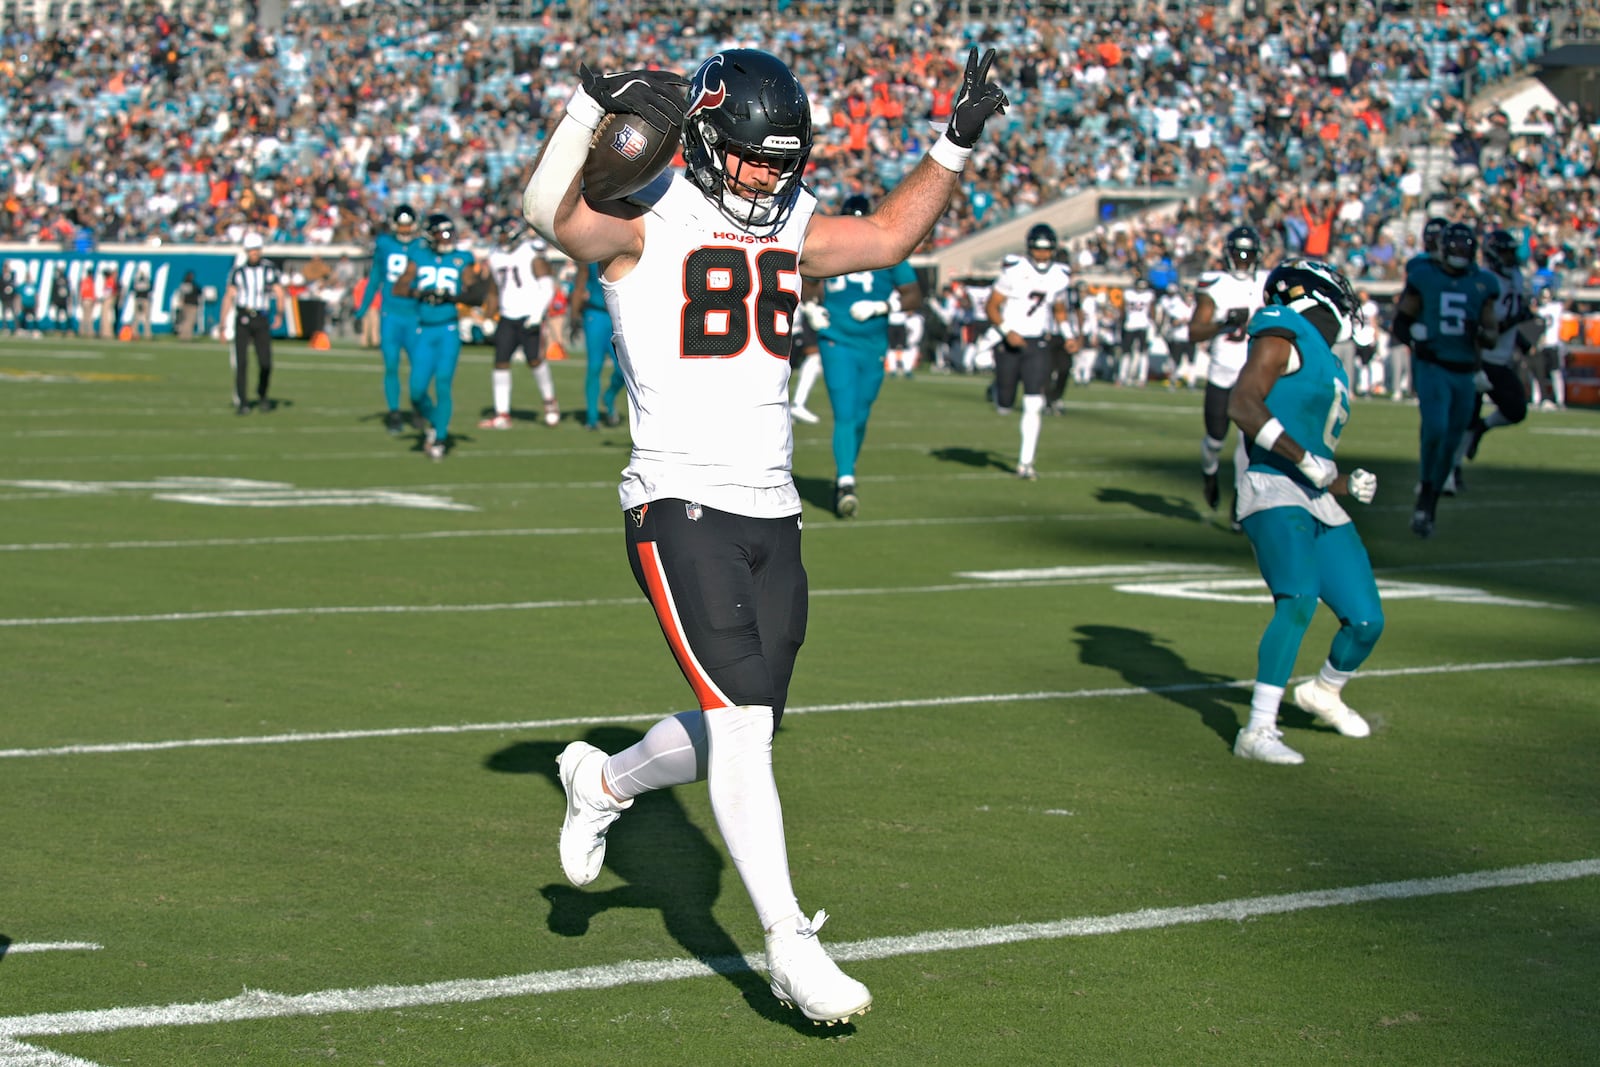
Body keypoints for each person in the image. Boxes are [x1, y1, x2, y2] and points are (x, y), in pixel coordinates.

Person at [522, 45, 1006, 1024]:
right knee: (742, 725)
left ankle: (603, 778)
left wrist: (954, 143)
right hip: (678, 501)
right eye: (747, 156)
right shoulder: (647, 214)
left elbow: (882, 239)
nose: (765, 174)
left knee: (748, 723)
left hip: (773, 509)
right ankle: (789, 942)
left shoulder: (787, 217)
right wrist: (583, 106)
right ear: (702, 142)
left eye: (779, 158)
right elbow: (548, 214)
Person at [1225, 259, 1385, 765]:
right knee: (1298, 598)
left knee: (1365, 620)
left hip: (1313, 493)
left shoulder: (1328, 360)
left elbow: (1314, 457)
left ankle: (1325, 691)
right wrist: (1305, 462)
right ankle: (1257, 729)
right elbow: (1243, 406)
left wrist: (1344, 481)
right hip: (1271, 484)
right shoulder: (1283, 327)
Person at [807, 193, 923, 517]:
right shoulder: (829, 244)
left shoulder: (887, 248)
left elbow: (914, 294)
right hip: (836, 339)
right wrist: (811, 308)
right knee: (845, 412)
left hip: (873, 344)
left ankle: (848, 468)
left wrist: (885, 305)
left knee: (860, 414)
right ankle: (846, 481)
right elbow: (806, 281)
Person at [1389, 221, 1499, 538]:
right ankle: (1425, 488)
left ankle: (1430, 502)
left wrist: (1479, 333)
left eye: (1465, 249)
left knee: (1451, 442)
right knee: (1435, 427)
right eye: (1456, 248)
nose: (1460, 254)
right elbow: (1401, 323)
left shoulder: (1482, 284)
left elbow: (1491, 334)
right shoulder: (1425, 277)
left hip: (1464, 371)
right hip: (1433, 365)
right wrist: (1415, 338)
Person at [1188, 225, 1270, 522]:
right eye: (1239, 255)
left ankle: (1240, 501)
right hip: (1222, 371)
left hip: (1255, 372)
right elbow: (1194, 331)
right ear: (1228, 255)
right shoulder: (1214, 284)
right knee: (1215, 440)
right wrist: (1223, 322)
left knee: (1248, 440)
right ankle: (1209, 474)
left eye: (1248, 256)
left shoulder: (1268, 282)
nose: (1244, 261)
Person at [985, 222, 1071, 479]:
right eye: (1038, 249)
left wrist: (1069, 335)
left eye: (1047, 250)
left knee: (1034, 402)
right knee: (1005, 404)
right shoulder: (1014, 271)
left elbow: (1058, 309)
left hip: (1037, 343)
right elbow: (992, 306)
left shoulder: (1060, 275)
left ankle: (1025, 462)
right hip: (1010, 341)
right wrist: (1008, 331)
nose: (1042, 255)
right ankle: (997, 389)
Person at [393, 213, 480, 460]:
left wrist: (450, 297)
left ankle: (440, 437)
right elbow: (398, 287)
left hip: (448, 330)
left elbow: (475, 293)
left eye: (450, 233)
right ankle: (434, 422)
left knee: (443, 383)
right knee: (417, 391)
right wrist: (421, 292)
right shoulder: (419, 256)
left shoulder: (461, 259)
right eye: (442, 233)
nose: (447, 238)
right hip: (423, 330)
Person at [1455, 228, 1533, 476]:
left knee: (1516, 409)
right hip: (1481, 356)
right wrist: (1516, 321)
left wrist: (1520, 336)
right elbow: (1485, 325)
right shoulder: (1486, 280)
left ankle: (1482, 428)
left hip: (1501, 357)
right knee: (1467, 417)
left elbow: (1512, 316)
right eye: (1506, 253)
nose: (1511, 258)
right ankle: (1453, 470)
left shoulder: (1516, 277)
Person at [480, 218, 559, 429]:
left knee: (534, 360)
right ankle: (502, 413)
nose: (501, 238)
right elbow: (493, 290)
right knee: (500, 362)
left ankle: (550, 402)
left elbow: (548, 285)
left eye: (504, 234)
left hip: (529, 314)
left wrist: (537, 313)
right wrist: (488, 316)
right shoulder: (495, 255)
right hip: (507, 315)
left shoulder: (531, 252)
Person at [355, 205, 423, 435]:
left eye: (408, 225)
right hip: (391, 314)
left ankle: (417, 409)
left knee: (419, 368)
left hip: (415, 315)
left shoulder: (422, 245)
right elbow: (375, 278)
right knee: (391, 365)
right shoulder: (385, 244)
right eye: (401, 225)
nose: (405, 230)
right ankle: (394, 413)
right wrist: (363, 309)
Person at [220, 234, 287, 414]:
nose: (254, 253)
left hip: (261, 317)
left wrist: (279, 313)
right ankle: (243, 402)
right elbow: (229, 296)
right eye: (251, 250)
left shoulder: (269, 270)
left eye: (256, 250)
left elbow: (279, 292)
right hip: (242, 317)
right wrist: (222, 323)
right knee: (241, 363)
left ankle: (262, 393)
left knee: (266, 362)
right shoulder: (238, 272)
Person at [571, 260, 626, 430]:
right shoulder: (590, 255)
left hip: (618, 315)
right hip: (595, 314)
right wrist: (573, 316)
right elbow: (580, 284)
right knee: (594, 366)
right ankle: (592, 417)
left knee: (623, 368)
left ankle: (609, 396)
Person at [1116, 274, 1156, 388]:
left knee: (1142, 352)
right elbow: (1123, 310)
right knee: (1126, 352)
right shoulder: (1129, 294)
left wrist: (1152, 324)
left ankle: (1141, 378)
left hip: (1142, 325)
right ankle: (1122, 376)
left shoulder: (1146, 295)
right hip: (1131, 325)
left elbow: (1151, 311)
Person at [174, 269, 203, 341]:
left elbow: (180, 294)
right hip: (192, 305)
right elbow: (199, 291)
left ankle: (182, 335)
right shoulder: (193, 285)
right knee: (190, 321)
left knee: (184, 320)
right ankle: (187, 336)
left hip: (185, 304)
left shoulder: (183, 284)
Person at [130, 267, 155, 339]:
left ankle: (135, 333)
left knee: (136, 317)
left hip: (138, 299)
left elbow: (132, 290)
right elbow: (151, 289)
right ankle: (147, 334)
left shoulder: (136, 281)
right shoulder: (147, 281)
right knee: (146, 317)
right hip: (145, 299)